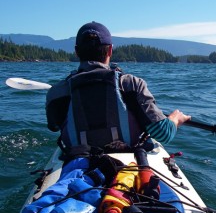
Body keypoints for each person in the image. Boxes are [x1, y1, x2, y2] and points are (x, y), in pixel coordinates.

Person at [46, 21, 191, 155]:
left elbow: (54, 126)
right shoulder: (131, 84)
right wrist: (175, 119)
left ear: (76, 52)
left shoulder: (56, 92)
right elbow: (163, 133)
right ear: (110, 50)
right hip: (127, 164)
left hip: (78, 161)